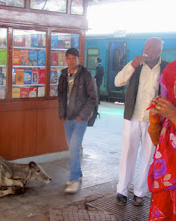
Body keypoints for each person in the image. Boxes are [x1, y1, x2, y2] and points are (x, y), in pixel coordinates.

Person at [114, 37, 169, 206]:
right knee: (127, 153)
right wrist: (132, 65)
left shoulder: (166, 68)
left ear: (159, 51)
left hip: (154, 121)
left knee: (148, 156)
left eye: (151, 48)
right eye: (146, 47)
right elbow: (117, 82)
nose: (147, 50)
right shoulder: (136, 65)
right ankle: (122, 191)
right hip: (133, 117)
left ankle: (140, 192)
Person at [148, 58, 176, 220]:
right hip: (166, 188)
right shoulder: (173, 109)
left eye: (172, 85)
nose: (166, 91)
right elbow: (158, 143)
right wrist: (154, 120)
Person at [58, 48, 98, 193]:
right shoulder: (63, 74)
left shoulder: (86, 76)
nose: (71, 61)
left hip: (80, 119)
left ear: (79, 59)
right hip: (68, 118)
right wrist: (62, 113)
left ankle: (73, 179)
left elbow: (93, 97)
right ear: (66, 59)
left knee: (74, 148)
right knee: (72, 148)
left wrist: (83, 115)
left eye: (74, 58)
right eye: (69, 58)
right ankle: (79, 173)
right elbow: (61, 95)